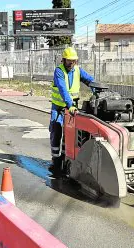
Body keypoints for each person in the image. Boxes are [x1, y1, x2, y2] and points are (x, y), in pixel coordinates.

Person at [48, 47, 95, 176]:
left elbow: (90, 80)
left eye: (74, 61)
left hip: (72, 109)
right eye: (69, 61)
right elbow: (63, 90)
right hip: (59, 108)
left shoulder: (78, 70)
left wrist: (97, 88)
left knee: (70, 135)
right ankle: (56, 161)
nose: (71, 63)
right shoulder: (59, 71)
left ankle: (66, 160)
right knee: (56, 131)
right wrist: (69, 105)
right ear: (63, 60)